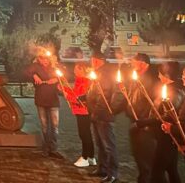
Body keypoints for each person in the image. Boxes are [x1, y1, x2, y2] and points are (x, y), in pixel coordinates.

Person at [122, 53, 159, 183]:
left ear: (143, 63)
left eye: (134, 61)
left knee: (145, 159)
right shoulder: (137, 78)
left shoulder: (152, 80)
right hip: (135, 121)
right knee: (138, 156)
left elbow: (153, 104)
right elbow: (133, 97)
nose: (131, 64)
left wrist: (144, 121)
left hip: (145, 125)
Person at [147, 61, 184, 183]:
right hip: (162, 134)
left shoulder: (175, 92)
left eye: (160, 74)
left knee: (156, 171)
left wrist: (145, 121)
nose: (158, 77)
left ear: (166, 75)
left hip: (167, 136)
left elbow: (168, 116)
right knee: (171, 169)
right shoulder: (166, 89)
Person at [87, 52, 118, 183]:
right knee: (100, 144)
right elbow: (94, 92)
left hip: (103, 115)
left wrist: (96, 112)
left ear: (98, 61)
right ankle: (102, 168)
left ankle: (113, 173)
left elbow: (104, 95)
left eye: (92, 60)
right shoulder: (98, 73)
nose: (91, 63)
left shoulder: (104, 74)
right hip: (96, 114)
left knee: (108, 145)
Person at [25, 49, 61, 159]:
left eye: (46, 59)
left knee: (54, 126)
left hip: (53, 99)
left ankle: (53, 148)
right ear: (39, 59)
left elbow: (64, 76)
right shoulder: (35, 67)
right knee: (45, 125)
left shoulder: (54, 67)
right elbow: (26, 72)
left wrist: (57, 79)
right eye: (42, 59)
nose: (44, 61)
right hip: (41, 99)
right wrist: (34, 76)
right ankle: (45, 148)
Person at [60, 62, 95, 168]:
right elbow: (75, 93)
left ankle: (85, 157)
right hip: (80, 111)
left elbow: (80, 99)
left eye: (77, 69)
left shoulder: (86, 82)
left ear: (83, 70)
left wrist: (68, 95)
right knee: (85, 134)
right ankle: (91, 157)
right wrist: (64, 89)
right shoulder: (79, 81)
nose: (75, 71)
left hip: (84, 111)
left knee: (84, 134)